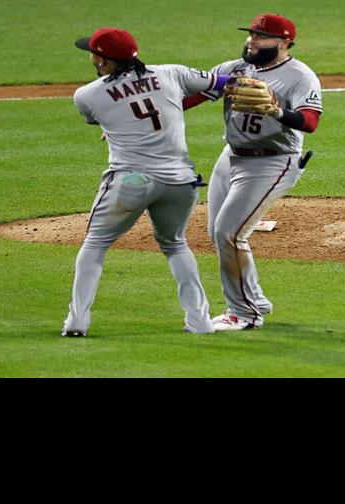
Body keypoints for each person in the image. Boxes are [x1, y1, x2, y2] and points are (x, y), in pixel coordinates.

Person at [61, 27, 229, 337]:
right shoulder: (172, 73)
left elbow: (104, 117)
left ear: (100, 59)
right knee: (175, 244)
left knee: (95, 244)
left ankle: (76, 323)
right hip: (180, 182)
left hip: (131, 181)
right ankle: (201, 322)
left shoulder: (87, 95)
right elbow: (221, 83)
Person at [188, 13, 323, 329]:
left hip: (272, 161)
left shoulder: (300, 76)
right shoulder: (234, 69)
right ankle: (254, 297)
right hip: (230, 156)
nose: (252, 40)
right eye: (251, 34)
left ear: (284, 42)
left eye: (261, 36)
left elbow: (311, 122)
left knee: (229, 233)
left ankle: (245, 314)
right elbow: (190, 97)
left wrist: (277, 111)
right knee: (218, 233)